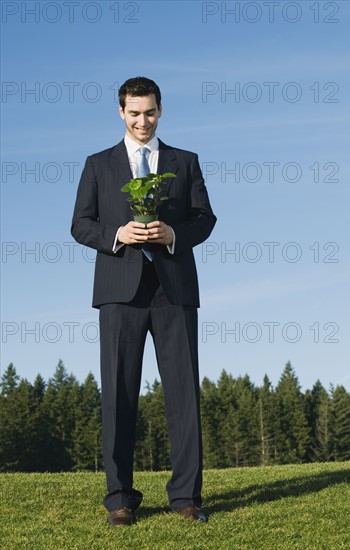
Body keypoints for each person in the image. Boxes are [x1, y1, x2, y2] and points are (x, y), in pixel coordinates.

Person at [71, 76, 216, 526]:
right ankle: (119, 498)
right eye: (134, 113)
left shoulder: (185, 162)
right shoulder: (98, 164)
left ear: (160, 110)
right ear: (121, 113)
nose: (142, 120)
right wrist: (117, 235)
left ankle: (185, 497)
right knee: (117, 395)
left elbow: (205, 218)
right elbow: (80, 224)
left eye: (149, 112)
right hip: (119, 293)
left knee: (182, 394)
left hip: (173, 290)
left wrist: (174, 235)